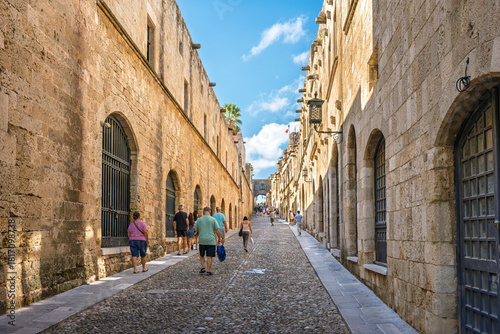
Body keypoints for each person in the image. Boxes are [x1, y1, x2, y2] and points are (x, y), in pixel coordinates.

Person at [194, 206, 221, 276]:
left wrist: (201, 230)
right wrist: (219, 238)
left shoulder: (199, 220)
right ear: (209, 211)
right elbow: (217, 230)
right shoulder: (213, 219)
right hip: (211, 240)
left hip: (202, 240)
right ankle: (208, 271)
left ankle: (203, 267)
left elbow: (195, 229)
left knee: (201, 255)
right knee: (209, 256)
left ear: (203, 212)